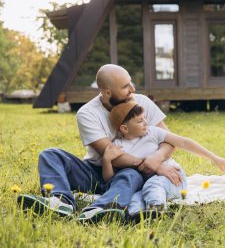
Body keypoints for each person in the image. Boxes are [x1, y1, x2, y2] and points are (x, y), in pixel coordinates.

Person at [17, 64, 182, 223]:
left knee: (129, 174)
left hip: (131, 173)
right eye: (125, 86)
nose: (132, 89)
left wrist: (157, 159)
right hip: (96, 172)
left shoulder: (142, 102)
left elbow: (169, 140)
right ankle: (61, 202)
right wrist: (153, 165)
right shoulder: (87, 113)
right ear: (107, 92)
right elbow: (113, 156)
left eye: (130, 82)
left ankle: (99, 210)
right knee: (50, 154)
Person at [103, 101, 225, 211]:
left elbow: (184, 142)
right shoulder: (118, 146)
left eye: (144, 118)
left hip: (173, 178)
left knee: (152, 186)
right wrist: (107, 161)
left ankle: (157, 208)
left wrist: (214, 157)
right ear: (124, 129)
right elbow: (111, 180)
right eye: (140, 121)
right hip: (147, 185)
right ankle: (137, 215)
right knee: (136, 197)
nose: (146, 122)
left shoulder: (152, 132)